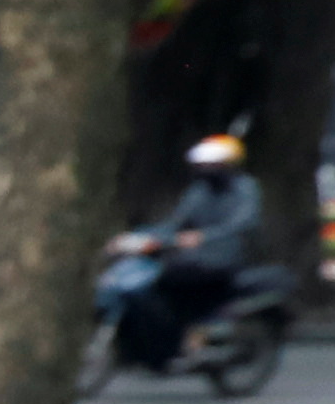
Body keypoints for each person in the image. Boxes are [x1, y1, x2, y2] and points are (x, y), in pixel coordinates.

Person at [108, 128, 262, 369]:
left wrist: (202, 237)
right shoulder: (199, 191)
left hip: (222, 260)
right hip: (191, 257)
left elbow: (241, 223)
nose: (206, 169)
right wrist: (139, 239)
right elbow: (176, 223)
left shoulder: (246, 189)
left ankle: (185, 340)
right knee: (153, 285)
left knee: (174, 280)